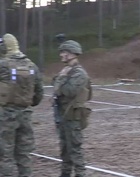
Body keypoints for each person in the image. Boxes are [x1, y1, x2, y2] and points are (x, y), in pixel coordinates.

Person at [0, 33, 44, 177]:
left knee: (5, 155)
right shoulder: (32, 66)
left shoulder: (3, 65)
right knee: (24, 155)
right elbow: (39, 94)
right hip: (25, 115)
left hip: (6, 116)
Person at [52, 40, 92, 177]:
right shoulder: (67, 71)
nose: (61, 55)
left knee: (75, 150)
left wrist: (61, 78)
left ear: (71, 54)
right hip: (64, 116)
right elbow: (56, 88)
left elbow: (68, 91)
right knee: (65, 151)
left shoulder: (79, 73)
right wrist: (61, 79)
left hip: (73, 116)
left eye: (64, 52)